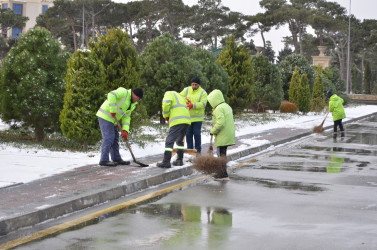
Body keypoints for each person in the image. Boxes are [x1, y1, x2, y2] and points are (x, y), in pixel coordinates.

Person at [96, 87, 143, 167]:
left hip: (113, 120)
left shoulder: (132, 104)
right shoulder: (124, 92)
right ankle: (104, 160)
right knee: (109, 137)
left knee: (115, 138)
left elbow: (126, 117)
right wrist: (113, 109)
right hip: (105, 115)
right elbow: (111, 94)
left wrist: (125, 130)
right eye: (137, 98)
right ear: (133, 94)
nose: (137, 100)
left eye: (139, 99)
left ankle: (116, 158)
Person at [157, 86, 191, 168]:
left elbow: (165, 104)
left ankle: (166, 162)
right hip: (186, 120)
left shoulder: (168, 93)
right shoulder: (180, 96)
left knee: (169, 140)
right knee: (179, 141)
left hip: (177, 120)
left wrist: (165, 115)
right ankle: (179, 160)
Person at [207, 89, 235, 179]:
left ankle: (222, 174)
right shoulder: (226, 106)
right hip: (228, 134)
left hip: (222, 135)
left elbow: (221, 123)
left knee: (220, 155)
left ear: (214, 99)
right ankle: (224, 173)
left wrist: (213, 131)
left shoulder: (218, 108)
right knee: (223, 154)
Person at [180, 76, 207, 156]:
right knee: (188, 135)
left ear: (199, 85)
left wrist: (193, 105)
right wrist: (185, 100)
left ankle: (198, 151)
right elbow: (179, 96)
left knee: (196, 134)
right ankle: (190, 152)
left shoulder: (203, 92)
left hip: (198, 118)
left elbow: (203, 104)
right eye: (192, 84)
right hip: (188, 118)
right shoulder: (187, 90)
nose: (194, 86)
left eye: (195, 85)